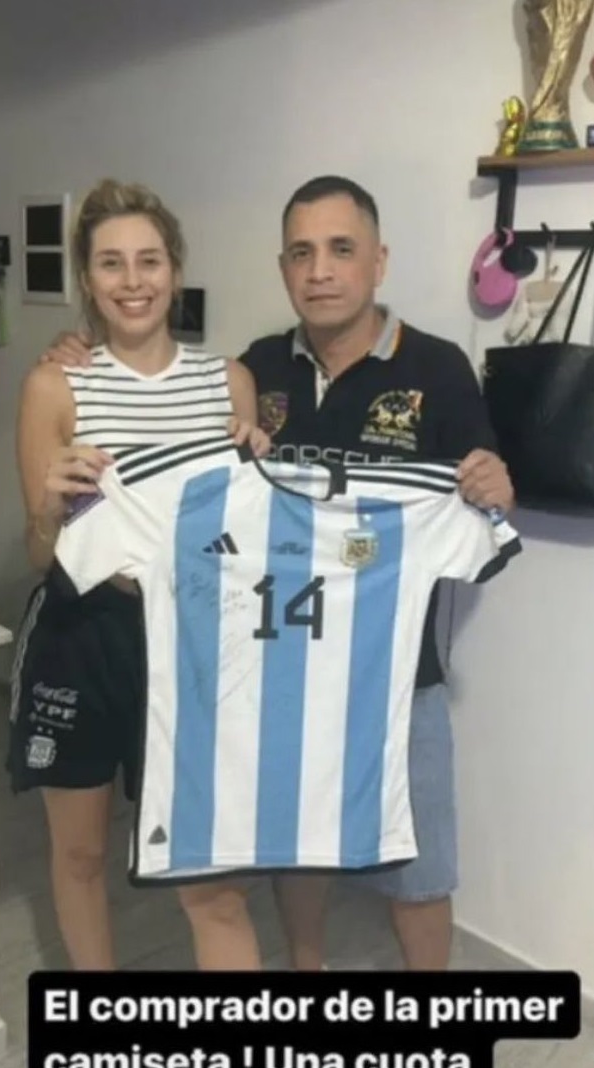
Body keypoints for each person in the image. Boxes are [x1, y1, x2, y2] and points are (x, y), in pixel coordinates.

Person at [44, 175, 514, 987]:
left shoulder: (436, 367)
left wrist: (494, 488)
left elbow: (481, 493)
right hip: (277, 670)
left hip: (397, 673)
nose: (320, 270)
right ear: (283, 267)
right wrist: (78, 356)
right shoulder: (257, 370)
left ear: (377, 260)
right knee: (293, 852)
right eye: (301, 252)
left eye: (340, 249)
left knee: (419, 872)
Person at [8, 177, 272, 978]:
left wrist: (261, 478)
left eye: (149, 260)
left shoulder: (227, 382)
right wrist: (49, 508)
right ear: (87, 280)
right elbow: (42, 555)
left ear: (175, 269)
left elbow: (247, 537)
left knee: (210, 878)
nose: (133, 281)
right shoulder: (54, 385)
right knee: (81, 854)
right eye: (111, 263)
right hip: (84, 637)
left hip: (194, 641)